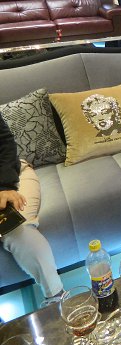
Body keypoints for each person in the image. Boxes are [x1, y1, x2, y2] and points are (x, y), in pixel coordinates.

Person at [0, 113, 64, 306]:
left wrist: (4, 186)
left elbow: (5, 142)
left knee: (15, 228)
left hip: (11, 177)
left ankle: (57, 298)